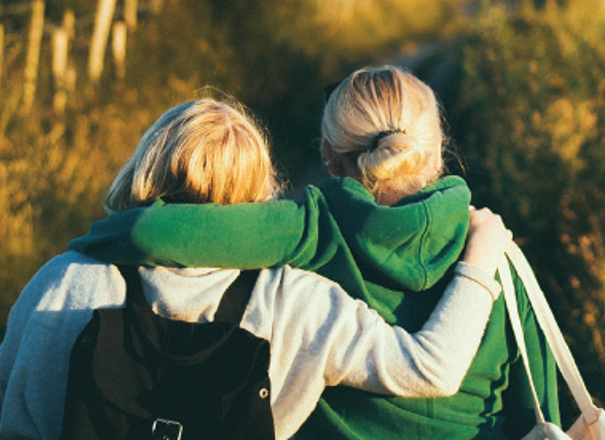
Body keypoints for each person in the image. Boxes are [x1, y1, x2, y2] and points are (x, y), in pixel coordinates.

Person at [68, 66, 561, 438]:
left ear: (327, 156)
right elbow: (538, 406)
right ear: (436, 152)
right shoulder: (494, 253)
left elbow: (148, 233)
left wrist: (87, 245)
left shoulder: (312, 227)